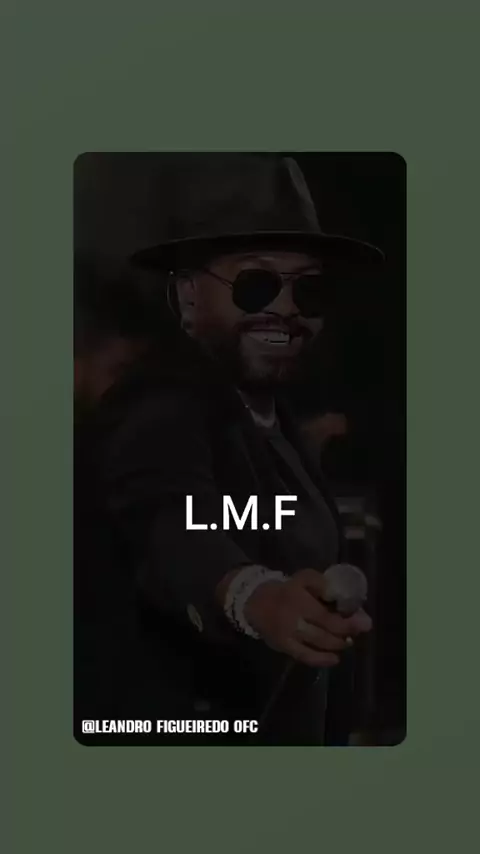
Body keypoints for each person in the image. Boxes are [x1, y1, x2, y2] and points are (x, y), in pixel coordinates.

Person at [76, 154, 383, 744]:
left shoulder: (269, 417)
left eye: (309, 289)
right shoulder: (160, 405)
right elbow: (173, 520)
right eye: (255, 284)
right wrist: (255, 596)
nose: (287, 309)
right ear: (189, 297)